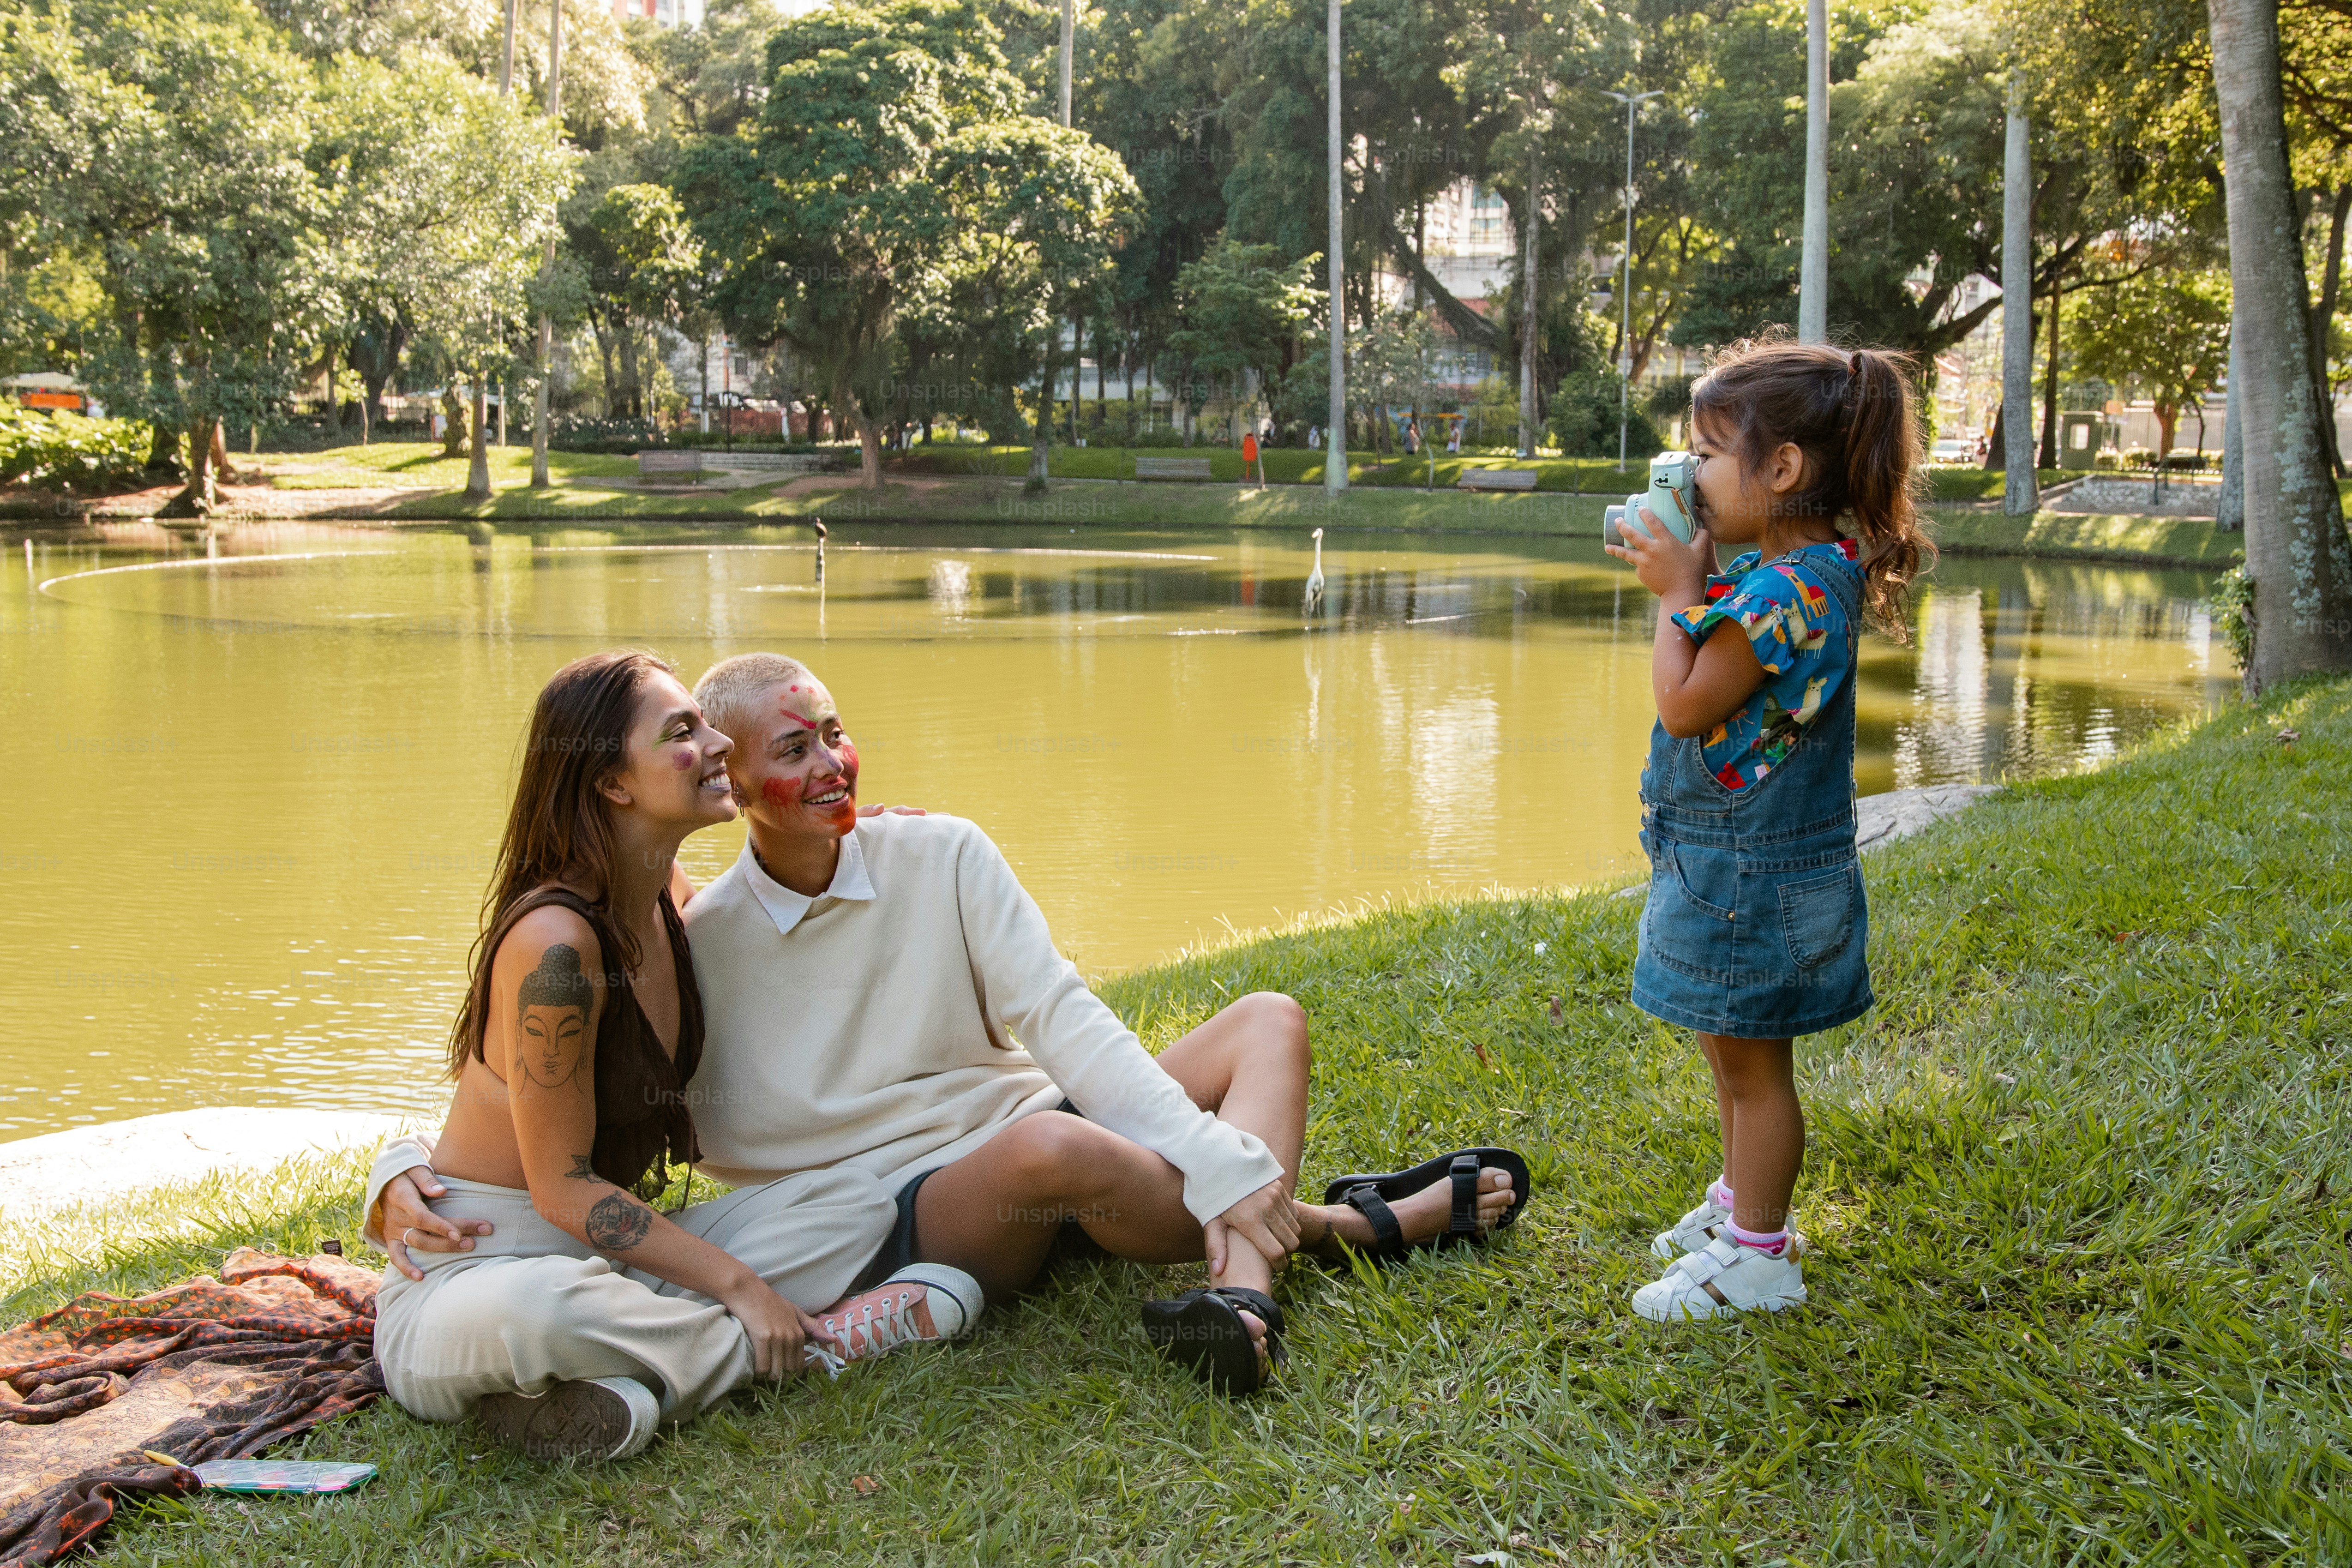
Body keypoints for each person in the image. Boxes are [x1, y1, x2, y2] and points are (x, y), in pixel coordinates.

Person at [378, 653, 1530, 1395]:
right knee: (1051, 1153)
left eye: (833, 731)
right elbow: (532, 1127)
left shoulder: (875, 863)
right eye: (787, 748)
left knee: (1266, 1019)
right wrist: (396, 1170)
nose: (827, 763)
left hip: (986, 1138)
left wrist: (1220, 1159)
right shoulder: (669, 930)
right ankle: (1358, 1227)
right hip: (833, 1207)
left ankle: (1249, 1285)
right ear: (648, 780)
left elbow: (1059, 1016)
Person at [366, 650, 982, 1461]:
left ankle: (618, 1388)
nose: (721, 741)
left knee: (853, 1204)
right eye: (684, 730)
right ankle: (819, 1343)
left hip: (617, 1262)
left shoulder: (669, 896)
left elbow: (794, 908)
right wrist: (738, 1285)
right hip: (479, 1275)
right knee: (546, 1310)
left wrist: (864, 839)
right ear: (614, 783)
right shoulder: (555, 945)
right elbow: (559, 1188)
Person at [1603, 336, 1930, 1322]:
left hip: (1750, 872)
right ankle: (1736, 1205)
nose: (1691, 476)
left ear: (1780, 469)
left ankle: (1759, 1255)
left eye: (1706, 455)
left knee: (1752, 1071)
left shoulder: (1784, 594)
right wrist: (1699, 583)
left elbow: (1686, 706)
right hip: (1729, 858)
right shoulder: (1798, 577)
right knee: (1727, 1050)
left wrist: (1673, 593)